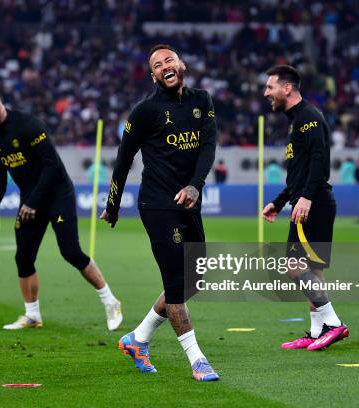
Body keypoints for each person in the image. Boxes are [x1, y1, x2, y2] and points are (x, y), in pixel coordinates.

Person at [101, 44, 219, 381]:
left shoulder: (202, 101)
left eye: (169, 60)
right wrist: (112, 206)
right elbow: (123, 161)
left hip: (189, 203)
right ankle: (197, 360)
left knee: (194, 280)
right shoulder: (145, 112)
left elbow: (208, 146)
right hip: (157, 206)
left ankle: (137, 339)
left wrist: (196, 185)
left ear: (181, 64)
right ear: (153, 75)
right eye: (156, 64)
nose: (164, 66)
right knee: (177, 285)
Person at [0, 82, 122, 331]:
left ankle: (110, 301)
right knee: (23, 257)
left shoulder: (28, 125)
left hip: (57, 194)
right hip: (30, 202)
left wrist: (32, 201)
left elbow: (52, 166)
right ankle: (32, 316)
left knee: (70, 252)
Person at [262, 65, 348, 350]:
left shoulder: (308, 117)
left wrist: (307, 197)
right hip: (312, 201)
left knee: (294, 266)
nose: (266, 93)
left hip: (315, 203)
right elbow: (299, 174)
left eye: (270, 87)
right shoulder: (296, 120)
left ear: (287, 88)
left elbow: (320, 161)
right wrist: (279, 201)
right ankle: (317, 331)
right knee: (313, 269)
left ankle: (333, 323)